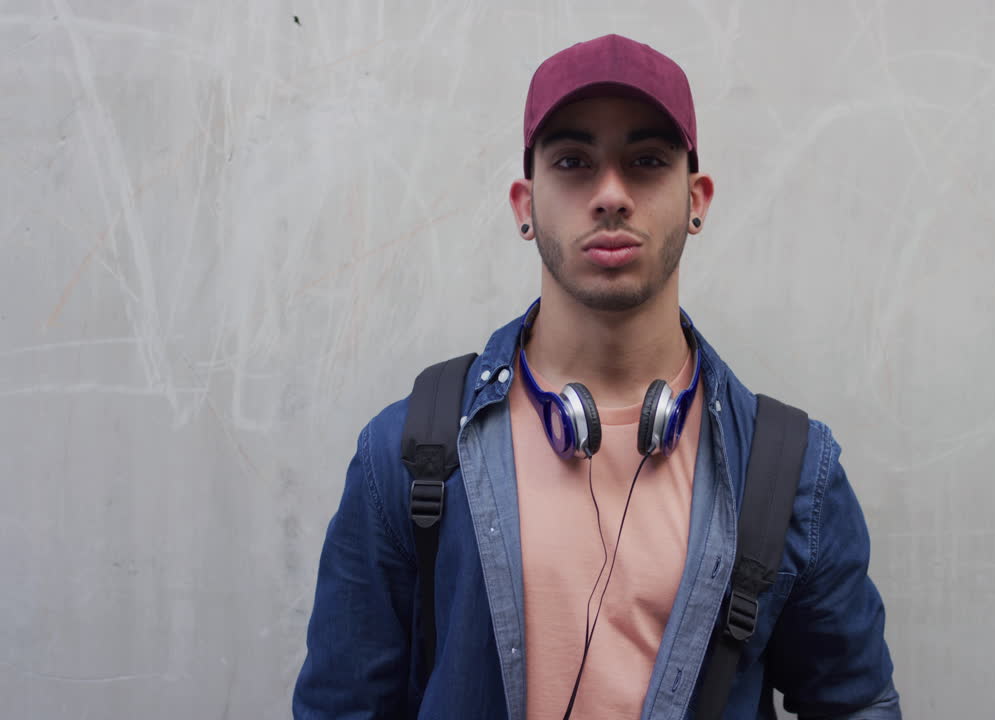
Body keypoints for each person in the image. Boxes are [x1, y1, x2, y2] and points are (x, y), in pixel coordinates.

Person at [293, 33, 900, 719]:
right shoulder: (408, 454)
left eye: (646, 162)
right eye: (574, 162)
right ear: (525, 204)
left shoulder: (789, 471)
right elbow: (341, 707)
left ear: (697, 198)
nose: (611, 194)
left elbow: (856, 704)